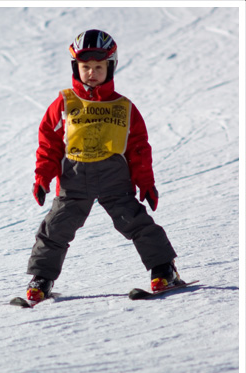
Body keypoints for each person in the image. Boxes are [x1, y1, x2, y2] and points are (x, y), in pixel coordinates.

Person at [26, 29, 183, 302]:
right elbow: (49, 143)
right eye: (85, 67)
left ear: (111, 67)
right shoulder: (64, 102)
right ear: (76, 67)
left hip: (114, 174)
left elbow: (138, 149)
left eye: (99, 67)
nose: (92, 73)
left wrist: (146, 183)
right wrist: (43, 177)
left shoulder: (124, 107)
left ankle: (163, 270)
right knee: (56, 227)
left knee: (135, 221)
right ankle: (42, 279)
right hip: (74, 175)